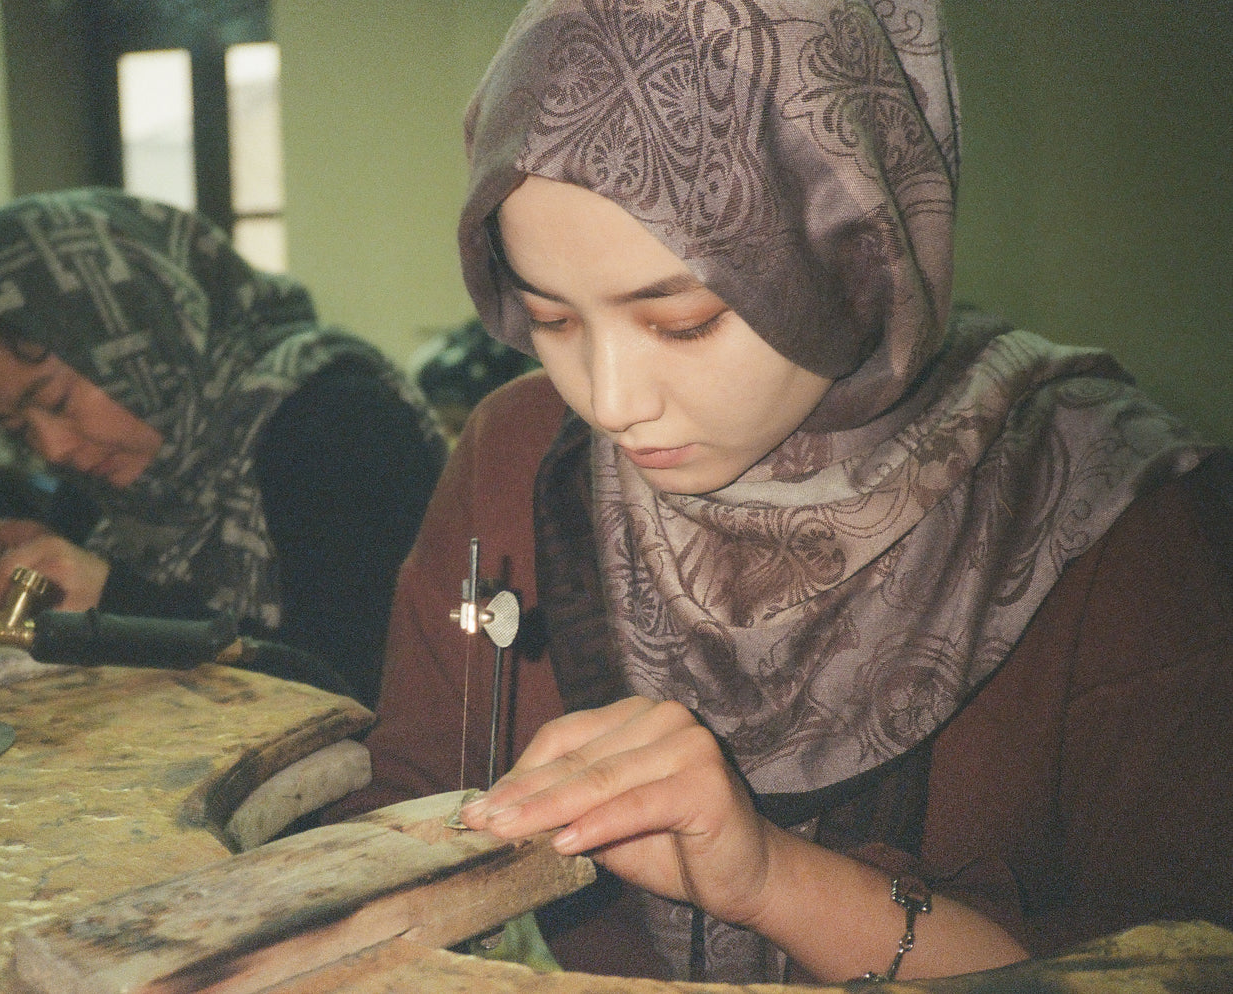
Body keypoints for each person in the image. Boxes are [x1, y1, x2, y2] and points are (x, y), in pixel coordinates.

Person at [335, 0, 1233, 985]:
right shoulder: (517, 451)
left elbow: (1184, 960)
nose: (611, 402)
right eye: (552, 319)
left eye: (684, 322)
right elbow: (401, 809)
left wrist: (774, 881)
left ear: (854, 254)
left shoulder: (1112, 511)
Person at [0, 188, 448, 708]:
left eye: (56, 400)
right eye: (17, 429)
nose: (51, 449)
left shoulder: (338, 421)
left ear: (136, 330)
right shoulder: (111, 476)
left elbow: (365, 685)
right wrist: (40, 573)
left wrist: (116, 603)